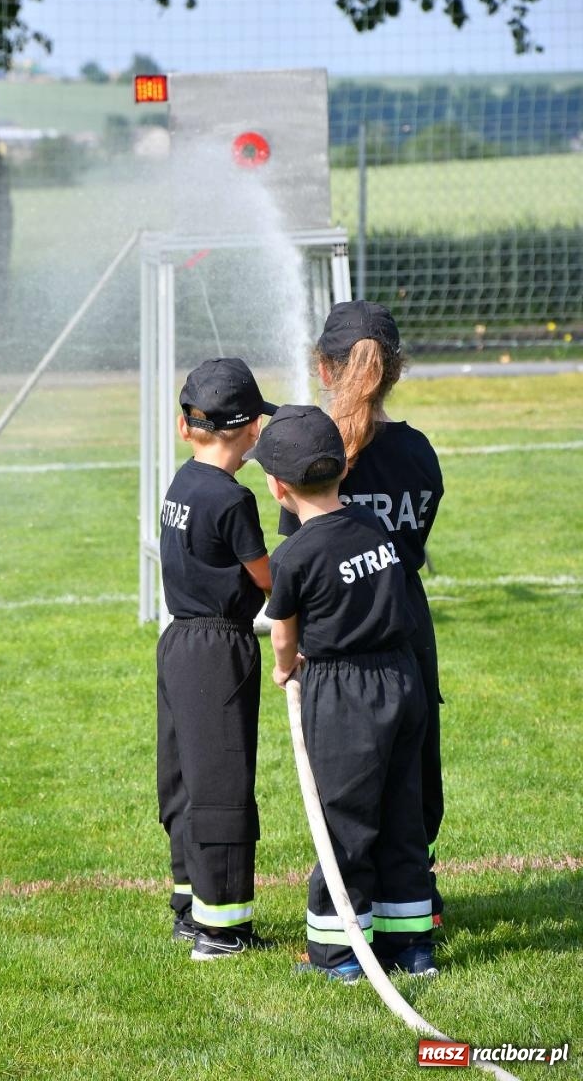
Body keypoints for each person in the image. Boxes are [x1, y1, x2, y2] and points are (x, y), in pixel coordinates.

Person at [248, 403, 437, 982]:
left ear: (279, 487)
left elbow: (283, 630)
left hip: (345, 692)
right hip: (402, 680)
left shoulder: (295, 554)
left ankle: (338, 954)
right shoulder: (373, 525)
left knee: (344, 822)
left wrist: (285, 669)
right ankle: (412, 946)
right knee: (402, 813)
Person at [279, 300, 445, 923]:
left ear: (324, 368)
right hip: (404, 636)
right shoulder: (419, 453)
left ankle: (350, 921)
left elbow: (297, 557)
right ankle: (411, 908)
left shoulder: (310, 458)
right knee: (410, 780)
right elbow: (415, 546)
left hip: (338, 651)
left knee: (346, 793)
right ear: (395, 370)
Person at [156, 357, 276, 961]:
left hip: (177, 643)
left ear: (187, 429)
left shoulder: (181, 482)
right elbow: (265, 578)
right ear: (253, 429)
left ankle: (190, 905)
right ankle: (221, 930)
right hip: (218, 649)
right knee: (224, 783)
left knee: (184, 778)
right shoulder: (233, 500)